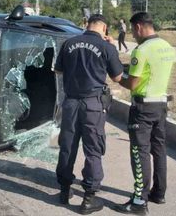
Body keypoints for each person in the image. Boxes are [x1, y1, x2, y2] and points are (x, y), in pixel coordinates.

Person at [54, 14, 123, 214]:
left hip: (71, 103)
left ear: (87, 25)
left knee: (67, 146)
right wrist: (110, 49)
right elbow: (118, 77)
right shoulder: (106, 47)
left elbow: (58, 71)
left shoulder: (69, 43)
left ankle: (64, 191)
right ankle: (88, 199)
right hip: (93, 104)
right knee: (93, 149)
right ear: (105, 28)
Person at [116, 12, 176, 215]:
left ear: (139, 27)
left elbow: (133, 83)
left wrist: (117, 78)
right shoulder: (166, 47)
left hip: (142, 108)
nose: (133, 34)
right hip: (160, 105)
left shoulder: (141, 50)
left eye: (133, 30)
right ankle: (159, 193)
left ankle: (139, 202)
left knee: (139, 152)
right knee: (158, 149)